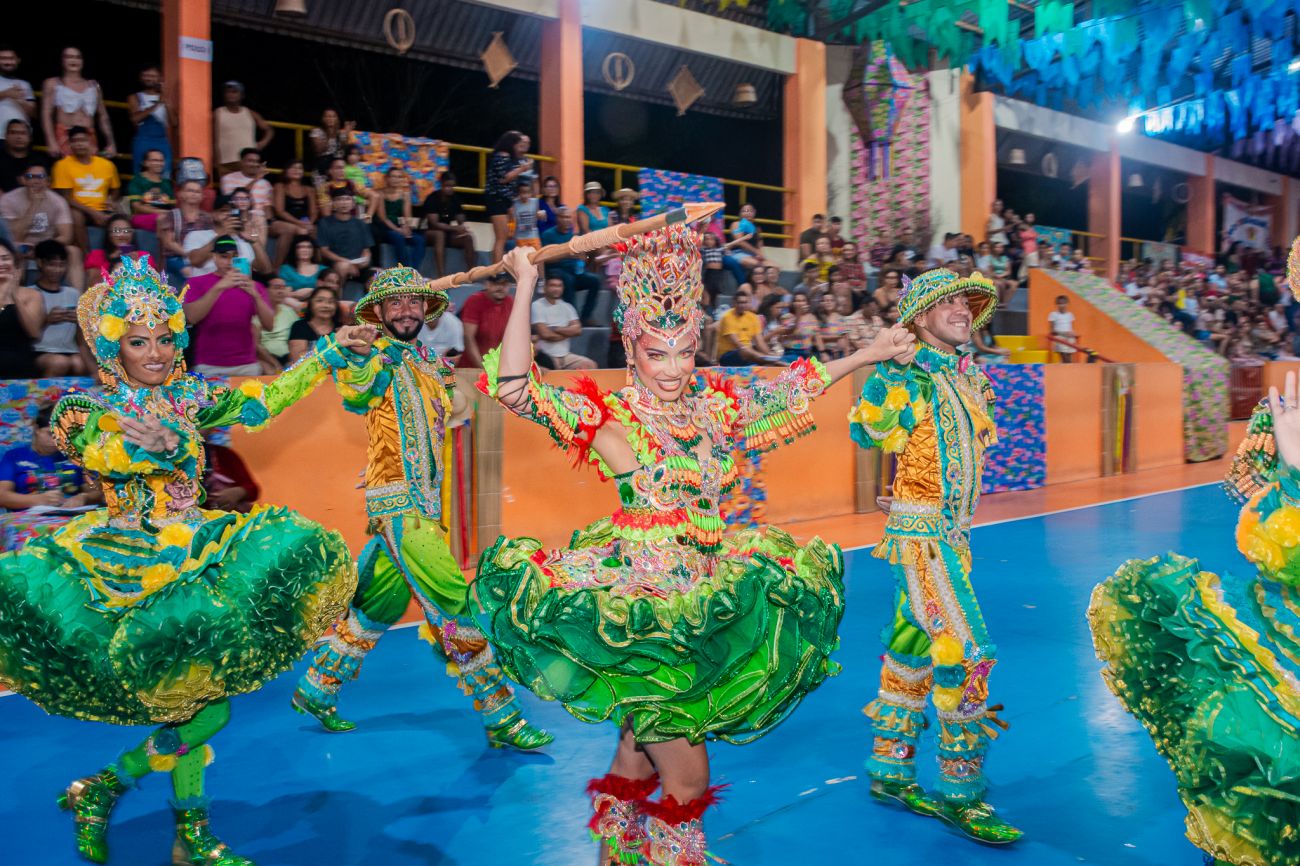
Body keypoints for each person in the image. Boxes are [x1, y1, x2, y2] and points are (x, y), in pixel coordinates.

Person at [473, 214, 915, 865]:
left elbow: (789, 389)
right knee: (688, 780)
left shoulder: (712, 407)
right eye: (658, 353)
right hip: (647, 620)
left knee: (635, 758)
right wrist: (526, 283)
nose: (675, 368)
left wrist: (868, 353)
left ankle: (616, 853)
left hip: (706, 599)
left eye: (685, 351)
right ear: (632, 349)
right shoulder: (615, 420)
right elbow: (515, 388)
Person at [0, 254, 360, 866]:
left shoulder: (190, 396)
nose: (156, 353)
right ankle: (153, 813)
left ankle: (135, 805)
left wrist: (325, 353)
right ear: (114, 348)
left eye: (165, 338)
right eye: (139, 341)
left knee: (198, 704)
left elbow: (263, 400)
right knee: (203, 710)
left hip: (199, 558)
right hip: (128, 573)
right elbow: (106, 452)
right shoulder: (84, 410)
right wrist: (160, 447)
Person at [291, 265, 552, 751]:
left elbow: (457, 412)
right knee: (454, 602)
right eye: (395, 303)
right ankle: (502, 714)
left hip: (424, 503)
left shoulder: (433, 362)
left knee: (380, 604)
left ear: (425, 309)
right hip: (400, 506)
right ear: (379, 312)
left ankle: (317, 688)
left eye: (413, 301)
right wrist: (361, 355)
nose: (406, 310)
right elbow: (358, 391)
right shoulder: (373, 356)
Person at [849, 267, 1021, 844]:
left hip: (953, 537)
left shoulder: (965, 376)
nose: (962, 310)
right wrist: (888, 369)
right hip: (923, 540)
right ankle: (960, 791)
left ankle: (890, 769)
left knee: (911, 648)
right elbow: (871, 432)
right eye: (947, 303)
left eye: (966, 303)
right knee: (965, 653)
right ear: (920, 318)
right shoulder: (914, 374)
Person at [182, 235, 274, 377]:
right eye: (224, 256)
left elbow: (269, 325)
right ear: (214, 257)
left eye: (234, 256)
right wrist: (219, 287)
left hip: (246, 365)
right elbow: (191, 317)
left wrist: (255, 295)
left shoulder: (253, 286)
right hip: (208, 366)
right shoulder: (196, 283)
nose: (230, 262)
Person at [0, 402, 94, 511]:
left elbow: (97, 492)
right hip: (28, 519)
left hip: (71, 517)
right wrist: (37, 500)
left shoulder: (75, 456)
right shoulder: (14, 456)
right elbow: (2, 496)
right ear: (36, 429)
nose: (56, 441)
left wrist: (84, 497)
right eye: (50, 434)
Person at [0, 160, 80, 281]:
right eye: (30, 176)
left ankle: (76, 292)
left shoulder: (58, 201)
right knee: (18, 252)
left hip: (47, 246)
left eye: (41, 177)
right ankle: (12, 292)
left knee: (74, 251)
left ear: (48, 181)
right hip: (20, 246)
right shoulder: (9, 200)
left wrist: (41, 248)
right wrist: (34, 205)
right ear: (23, 180)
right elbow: (14, 236)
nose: (36, 181)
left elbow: (66, 236)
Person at [23, 239, 86, 376]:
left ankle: (73, 391)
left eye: (61, 265)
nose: (57, 270)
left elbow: (81, 339)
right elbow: (25, 335)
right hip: (39, 351)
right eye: (52, 265)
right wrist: (47, 320)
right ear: (40, 263)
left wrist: (79, 321)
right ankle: (45, 391)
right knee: (59, 363)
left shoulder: (73, 294)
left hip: (70, 350)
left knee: (80, 363)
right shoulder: (29, 293)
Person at [51, 126, 120, 252]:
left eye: (83, 140)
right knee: (76, 215)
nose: (79, 144)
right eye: (75, 141)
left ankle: (119, 254)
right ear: (70, 144)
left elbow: (115, 189)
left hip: (102, 208)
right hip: (79, 209)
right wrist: (93, 213)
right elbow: (66, 198)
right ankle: (86, 255)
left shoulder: (107, 165)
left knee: (121, 220)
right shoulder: (62, 165)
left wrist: (111, 200)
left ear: (90, 141)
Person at [40, 47, 115, 159]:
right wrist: (51, 141)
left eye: (77, 57)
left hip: (89, 136)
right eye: (69, 57)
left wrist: (111, 142)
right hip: (65, 134)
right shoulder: (52, 83)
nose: (74, 60)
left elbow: (103, 116)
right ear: (62, 60)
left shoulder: (94, 85)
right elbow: (46, 114)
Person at [541, 205, 603, 313]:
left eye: (568, 217)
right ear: (557, 218)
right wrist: (568, 255)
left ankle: (585, 317)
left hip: (574, 271)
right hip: (555, 271)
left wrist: (585, 257)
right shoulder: (548, 235)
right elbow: (545, 259)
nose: (566, 220)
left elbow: (583, 258)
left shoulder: (575, 236)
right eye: (563, 217)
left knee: (595, 280)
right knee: (569, 280)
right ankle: (573, 316)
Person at [486, 130, 535, 261]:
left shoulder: (509, 157)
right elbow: (503, 178)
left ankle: (499, 268)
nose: (521, 145)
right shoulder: (502, 155)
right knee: (501, 238)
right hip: (497, 199)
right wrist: (523, 169)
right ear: (511, 143)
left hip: (504, 200)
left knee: (505, 236)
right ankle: (496, 270)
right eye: (519, 142)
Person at [532, 274, 595, 370]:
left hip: (565, 356)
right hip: (546, 355)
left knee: (590, 365)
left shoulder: (567, 307)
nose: (556, 289)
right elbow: (546, 335)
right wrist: (568, 333)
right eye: (552, 285)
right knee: (551, 368)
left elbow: (578, 330)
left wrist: (555, 328)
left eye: (559, 286)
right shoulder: (537, 305)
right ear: (545, 287)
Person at [0, 238, 42, 378]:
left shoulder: (32, 294)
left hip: (21, 363)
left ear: (15, 263)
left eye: (5, 258)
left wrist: (14, 295)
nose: (1, 263)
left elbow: (34, 333)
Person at [421, 170, 476, 275]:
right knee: (439, 235)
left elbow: (460, 219)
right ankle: (441, 275)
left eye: (452, 186)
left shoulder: (455, 199)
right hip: (430, 233)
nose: (449, 189)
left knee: (468, 238)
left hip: (447, 233)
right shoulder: (432, 198)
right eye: (447, 186)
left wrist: (462, 227)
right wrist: (455, 228)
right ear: (441, 184)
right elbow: (434, 223)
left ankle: (471, 273)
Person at [371, 165, 425, 271]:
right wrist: (397, 230)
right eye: (393, 177)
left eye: (399, 177)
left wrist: (405, 227)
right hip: (385, 227)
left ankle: (413, 270)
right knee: (398, 238)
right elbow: (383, 217)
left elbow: (407, 216)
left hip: (399, 226)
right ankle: (404, 270)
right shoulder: (380, 194)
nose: (396, 179)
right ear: (387, 178)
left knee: (419, 240)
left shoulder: (405, 195)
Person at [158, 179, 214, 279]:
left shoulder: (207, 218)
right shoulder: (171, 215)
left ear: (202, 196)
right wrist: (191, 255)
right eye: (190, 190)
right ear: (180, 194)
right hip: (176, 258)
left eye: (197, 192)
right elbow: (169, 243)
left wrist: (199, 257)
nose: (194, 194)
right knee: (190, 272)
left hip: (201, 257)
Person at [213, 81, 272, 175]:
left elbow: (269, 130)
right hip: (226, 163)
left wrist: (262, 143)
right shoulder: (218, 113)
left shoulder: (250, 113)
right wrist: (216, 162)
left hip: (249, 163)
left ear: (242, 95)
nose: (231, 94)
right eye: (228, 92)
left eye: (234, 92)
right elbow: (213, 139)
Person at [317, 188, 372, 286]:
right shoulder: (324, 223)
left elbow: (366, 250)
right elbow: (324, 251)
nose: (344, 203)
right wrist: (346, 262)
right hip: (335, 265)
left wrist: (365, 260)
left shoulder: (360, 224)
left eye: (347, 199)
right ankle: (337, 295)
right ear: (333, 204)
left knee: (379, 275)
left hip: (358, 266)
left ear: (353, 204)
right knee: (343, 266)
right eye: (339, 199)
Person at [458, 271, 513, 369]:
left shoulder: (510, 302)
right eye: (496, 284)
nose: (500, 288)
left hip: (499, 367)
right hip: (472, 367)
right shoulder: (475, 301)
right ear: (487, 284)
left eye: (504, 284)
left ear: (509, 286)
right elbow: (468, 337)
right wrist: (482, 368)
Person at [269, 158, 317, 268]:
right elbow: (280, 211)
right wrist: (300, 223)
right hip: (282, 222)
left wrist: (310, 223)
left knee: (316, 230)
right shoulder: (280, 186)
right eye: (293, 167)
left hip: (304, 222)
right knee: (294, 230)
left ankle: (316, 267)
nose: (297, 170)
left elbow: (314, 212)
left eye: (300, 168)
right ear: (286, 170)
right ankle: (277, 268)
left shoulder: (309, 189)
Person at [85, 214, 157, 286]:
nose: (122, 235)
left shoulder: (143, 256)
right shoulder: (97, 255)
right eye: (116, 231)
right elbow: (93, 284)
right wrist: (113, 261)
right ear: (109, 234)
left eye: (127, 231)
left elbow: (151, 284)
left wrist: (136, 264)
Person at [127, 65, 174, 175]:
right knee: (141, 174)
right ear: (141, 77)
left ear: (160, 79)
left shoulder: (166, 99)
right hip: (142, 140)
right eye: (146, 75)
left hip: (162, 140)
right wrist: (157, 104)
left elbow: (175, 122)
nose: (149, 78)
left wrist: (166, 102)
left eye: (153, 76)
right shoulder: (135, 97)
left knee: (165, 174)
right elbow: (135, 119)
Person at [717, 286, 780, 366]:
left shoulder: (753, 317)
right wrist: (759, 356)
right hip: (729, 354)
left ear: (748, 303)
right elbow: (737, 344)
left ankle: (771, 361)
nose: (742, 305)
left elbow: (759, 342)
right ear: (734, 303)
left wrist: (769, 354)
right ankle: (773, 362)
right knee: (744, 351)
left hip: (748, 353)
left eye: (745, 302)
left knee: (767, 351)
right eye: (740, 302)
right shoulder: (727, 317)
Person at [287, 283, 343, 363]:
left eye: (331, 302)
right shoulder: (299, 326)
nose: (326, 305)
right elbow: (298, 358)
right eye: (320, 300)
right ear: (310, 304)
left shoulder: (342, 329)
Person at [125, 147, 174, 233]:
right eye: (155, 160)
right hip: (142, 218)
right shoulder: (137, 181)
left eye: (161, 160)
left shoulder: (167, 183)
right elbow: (137, 206)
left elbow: (173, 206)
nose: (159, 163)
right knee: (163, 219)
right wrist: (161, 212)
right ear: (145, 163)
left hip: (164, 218)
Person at [255, 274, 297, 372]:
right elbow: (256, 344)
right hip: (265, 359)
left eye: (283, 288)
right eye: (276, 288)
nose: (281, 291)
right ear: (265, 290)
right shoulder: (256, 313)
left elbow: (296, 339)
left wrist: (293, 360)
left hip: (288, 358)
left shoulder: (290, 311)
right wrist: (275, 363)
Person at [219, 147, 273, 218]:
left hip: (260, 219)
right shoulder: (228, 178)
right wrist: (256, 179)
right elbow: (233, 200)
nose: (254, 164)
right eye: (250, 161)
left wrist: (270, 221)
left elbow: (267, 207)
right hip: (237, 216)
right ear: (241, 162)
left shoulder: (266, 183)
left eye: (257, 161)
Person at [0, 118, 49, 192]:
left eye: (23, 133)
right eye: (13, 133)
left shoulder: (39, 160)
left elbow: (46, 186)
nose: (18, 137)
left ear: (30, 137)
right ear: (6, 136)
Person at [0, 46, 35, 145]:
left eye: (11, 58)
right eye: (3, 58)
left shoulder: (25, 84)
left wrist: (22, 101)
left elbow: (34, 114)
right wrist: (6, 93)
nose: (7, 62)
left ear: (18, 60)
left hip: (22, 138)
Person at [308, 107, 352, 178]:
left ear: (337, 119)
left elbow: (343, 148)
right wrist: (329, 132)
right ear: (322, 119)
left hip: (337, 169)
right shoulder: (316, 131)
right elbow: (319, 150)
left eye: (333, 116)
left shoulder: (340, 133)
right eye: (327, 116)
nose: (330, 119)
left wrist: (346, 133)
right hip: (322, 169)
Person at [278, 235, 326, 300]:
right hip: (293, 303)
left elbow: (329, 291)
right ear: (294, 250)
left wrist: (311, 292)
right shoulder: (286, 269)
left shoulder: (323, 270)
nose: (305, 250)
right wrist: (296, 295)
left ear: (313, 250)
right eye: (301, 247)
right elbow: (283, 293)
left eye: (309, 247)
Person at [511, 178, 541, 252]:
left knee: (537, 255)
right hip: (520, 237)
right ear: (518, 193)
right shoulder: (515, 203)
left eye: (527, 192)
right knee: (522, 256)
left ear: (531, 193)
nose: (525, 195)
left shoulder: (535, 202)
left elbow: (539, 214)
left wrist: (541, 215)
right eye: (522, 192)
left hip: (533, 236)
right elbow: (513, 219)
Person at [1048, 294, 1077, 362]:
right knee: (1064, 356)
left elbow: (1070, 327)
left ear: (1067, 304)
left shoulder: (1070, 314)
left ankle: (1068, 367)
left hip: (1069, 337)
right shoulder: (1053, 314)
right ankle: (1066, 366)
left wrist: (1072, 333)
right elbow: (1052, 331)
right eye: (1059, 304)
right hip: (1060, 337)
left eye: (1064, 303)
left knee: (1069, 357)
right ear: (1056, 305)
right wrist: (1063, 333)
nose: (1062, 305)